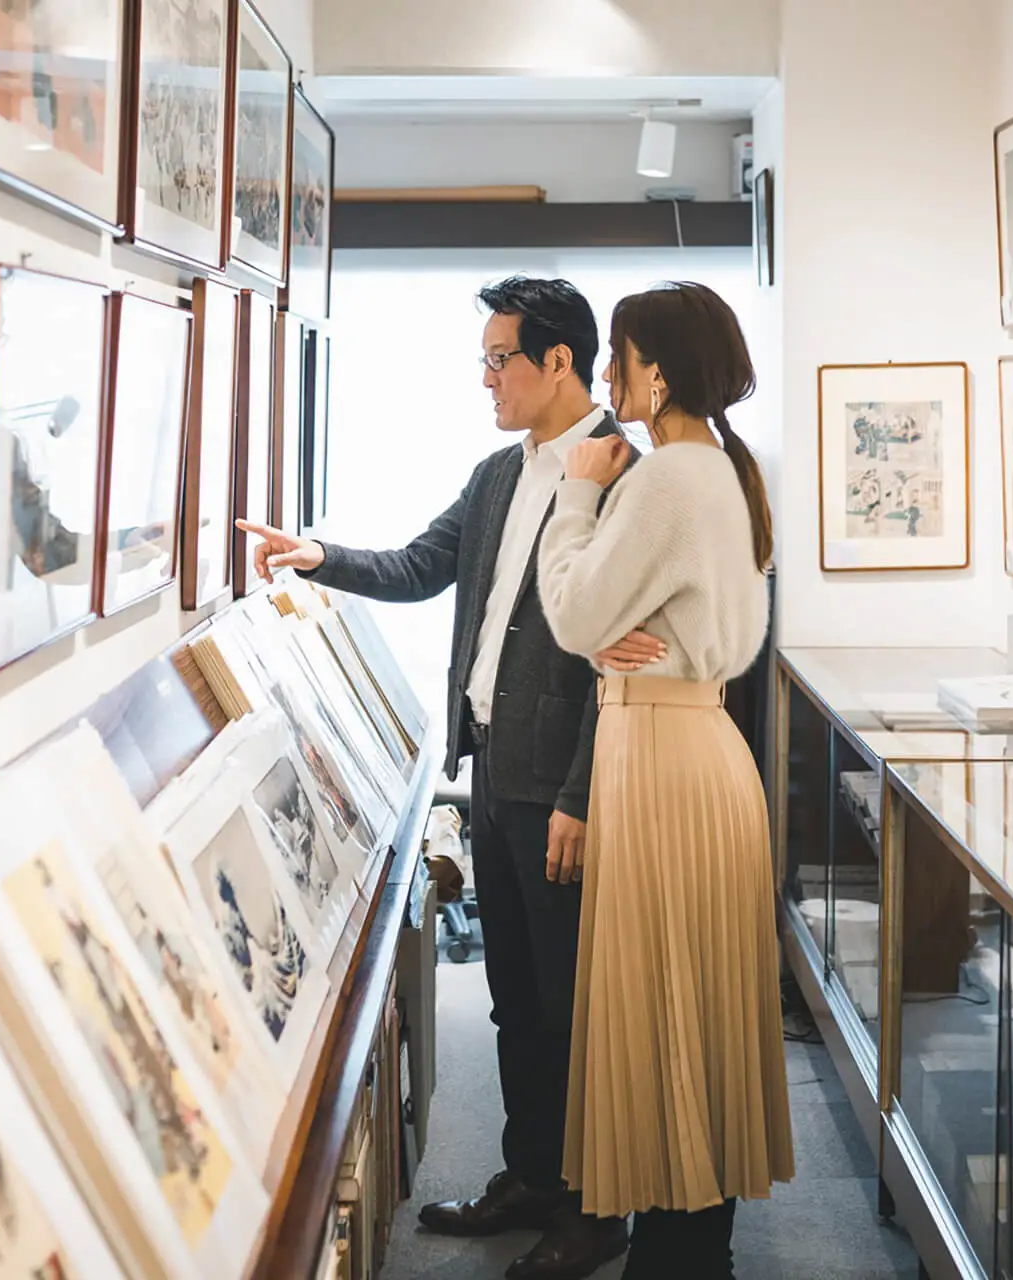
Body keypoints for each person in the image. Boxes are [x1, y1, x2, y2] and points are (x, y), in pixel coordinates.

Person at [239, 276, 664, 1280]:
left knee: (573, 1008)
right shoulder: (496, 473)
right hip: (493, 774)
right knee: (518, 997)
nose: (486, 379)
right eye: (483, 361)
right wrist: (317, 555)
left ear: (559, 361)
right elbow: (425, 564)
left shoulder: (623, 475)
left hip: (564, 791)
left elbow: (627, 655)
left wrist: (581, 793)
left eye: (498, 360)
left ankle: (595, 1208)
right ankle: (529, 1175)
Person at [536, 281, 795, 1278]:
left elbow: (570, 613)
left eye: (619, 356)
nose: (607, 375)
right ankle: (692, 1249)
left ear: (661, 371)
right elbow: (603, 620)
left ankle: (680, 1255)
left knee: (668, 1011)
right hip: (692, 752)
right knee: (689, 1006)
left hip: (664, 761)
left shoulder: (667, 479)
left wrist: (577, 489)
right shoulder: (716, 469)